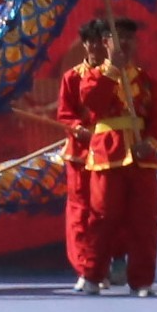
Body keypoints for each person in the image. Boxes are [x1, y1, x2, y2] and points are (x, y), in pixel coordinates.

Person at [78, 18, 157, 296]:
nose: (125, 43)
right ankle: (93, 275)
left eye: (129, 37)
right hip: (108, 155)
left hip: (141, 157)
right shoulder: (93, 76)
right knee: (102, 218)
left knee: (145, 220)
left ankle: (142, 281)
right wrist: (112, 71)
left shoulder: (147, 81)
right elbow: (92, 102)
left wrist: (151, 142)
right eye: (118, 37)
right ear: (106, 42)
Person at [54, 19, 109, 287]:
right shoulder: (72, 77)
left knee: (104, 211)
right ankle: (84, 269)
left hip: (110, 153)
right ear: (84, 44)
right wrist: (77, 128)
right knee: (80, 211)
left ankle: (102, 266)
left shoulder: (119, 77)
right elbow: (65, 114)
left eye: (101, 41)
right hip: (80, 154)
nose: (96, 46)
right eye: (91, 41)